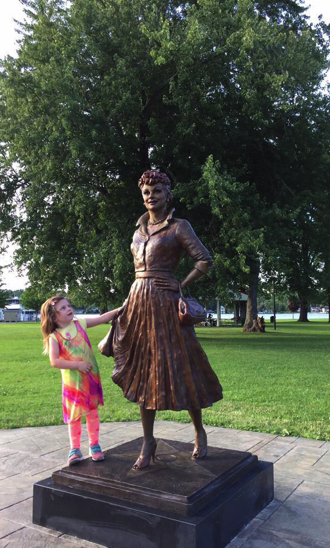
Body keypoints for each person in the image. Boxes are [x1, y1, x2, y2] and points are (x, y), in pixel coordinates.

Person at [112, 170, 223, 470]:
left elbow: (204, 260)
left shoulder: (179, 227)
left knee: (183, 367)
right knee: (143, 370)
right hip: (138, 303)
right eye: (146, 191)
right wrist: (127, 303)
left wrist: (180, 285)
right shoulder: (137, 231)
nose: (151, 196)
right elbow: (139, 270)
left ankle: (198, 430)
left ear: (167, 194)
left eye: (157, 190)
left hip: (166, 304)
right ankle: (148, 440)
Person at [41, 295, 121, 465]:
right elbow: (54, 361)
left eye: (68, 305)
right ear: (54, 317)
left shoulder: (80, 324)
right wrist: (77, 365)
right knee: (74, 416)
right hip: (73, 385)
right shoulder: (54, 337)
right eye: (63, 308)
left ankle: (95, 445)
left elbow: (102, 318)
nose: (68, 308)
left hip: (90, 380)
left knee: (93, 413)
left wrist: (122, 308)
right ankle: (75, 449)